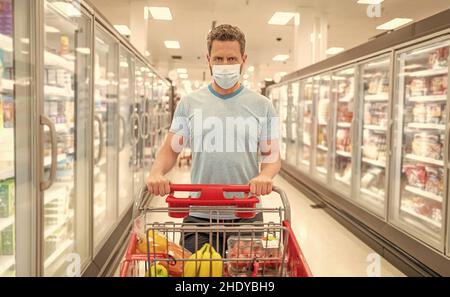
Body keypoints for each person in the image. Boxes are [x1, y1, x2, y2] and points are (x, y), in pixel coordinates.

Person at [146, 24, 281, 254]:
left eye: (231, 58)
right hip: (199, 215)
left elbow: (273, 157)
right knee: (199, 276)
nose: (225, 65)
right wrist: (156, 172)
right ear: (208, 59)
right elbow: (171, 150)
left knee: (242, 278)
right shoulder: (189, 104)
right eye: (219, 59)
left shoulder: (263, 106)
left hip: (245, 213)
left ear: (243, 59)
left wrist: (265, 175)